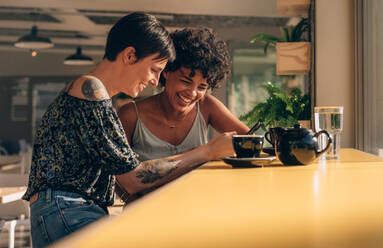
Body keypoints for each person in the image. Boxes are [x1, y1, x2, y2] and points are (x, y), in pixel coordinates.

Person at [22, 12, 236, 248]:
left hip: (69, 210)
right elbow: (133, 177)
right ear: (130, 55)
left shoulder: (96, 95)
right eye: (154, 70)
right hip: (67, 210)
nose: (155, 81)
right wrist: (207, 151)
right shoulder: (89, 89)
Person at [117, 27, 249, 164]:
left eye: (202, 87)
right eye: (186, 81)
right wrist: (209, 151)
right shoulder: (130, 115)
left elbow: (250, 141)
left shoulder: (206, 106)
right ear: (166, 71)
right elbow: (119, 178)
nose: (192, 93)